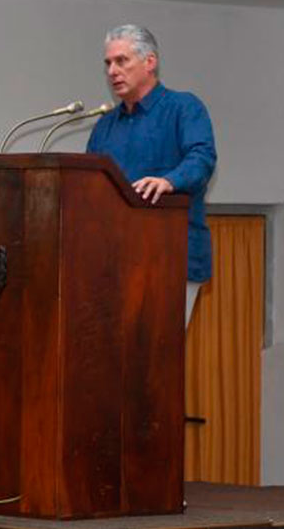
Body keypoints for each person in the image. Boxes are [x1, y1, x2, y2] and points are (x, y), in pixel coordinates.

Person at [86, 24, 217, 326]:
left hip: (170, 258)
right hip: (113, 261)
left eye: (122, 61)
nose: (112, 71)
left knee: (159, 361)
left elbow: (202, 158)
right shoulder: (105, 125)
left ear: (150, 62)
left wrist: (169, 181)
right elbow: (90, 187)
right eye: (108, 63)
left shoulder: (183, 108)